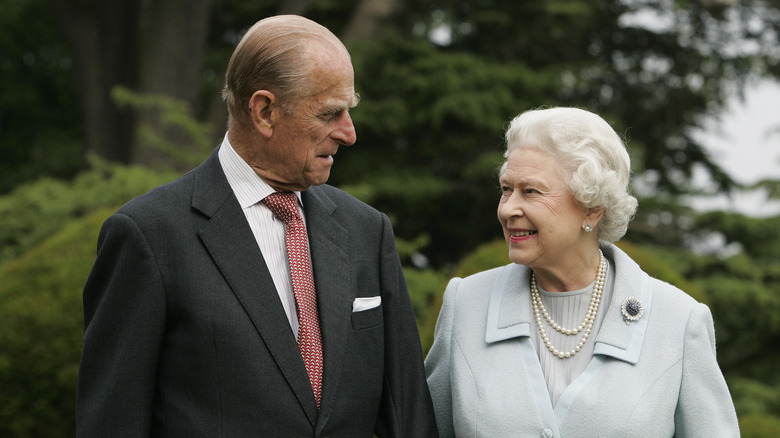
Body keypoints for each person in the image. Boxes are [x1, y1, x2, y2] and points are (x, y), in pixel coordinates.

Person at [76, 15, 437, 437]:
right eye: (330, 113)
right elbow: (112, 423)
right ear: (264, 111)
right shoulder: (149, 236)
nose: (349, 133)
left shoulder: (367, 231)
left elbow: (408, 417)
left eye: (349, 111)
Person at [424, 107, 739, 437]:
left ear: (591, 207)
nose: (508, 208)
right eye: (506, 189)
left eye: (531, 191)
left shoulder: (678, 321)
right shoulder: (466, 304)